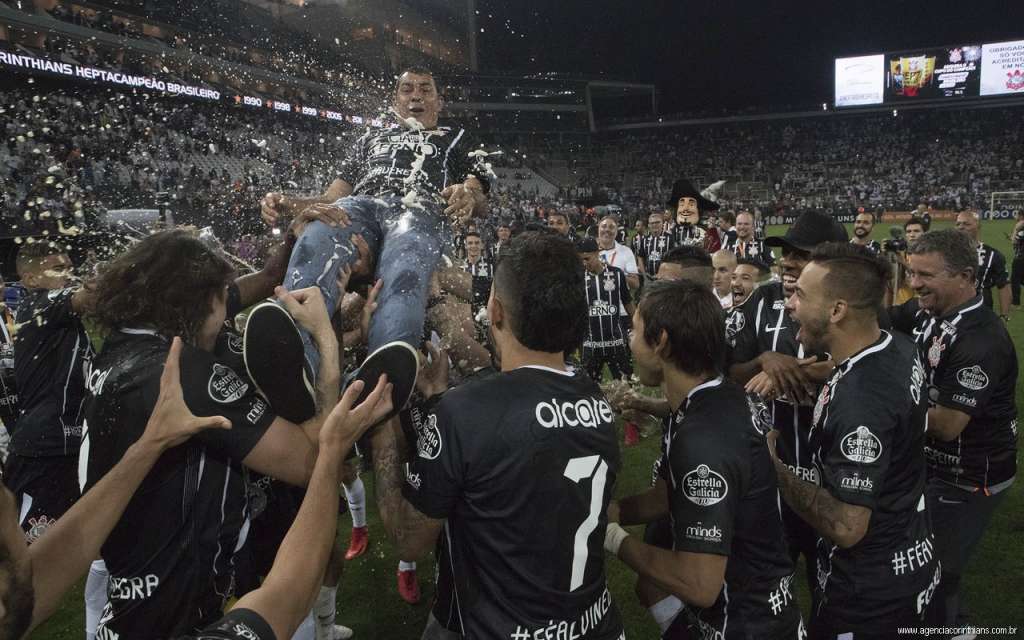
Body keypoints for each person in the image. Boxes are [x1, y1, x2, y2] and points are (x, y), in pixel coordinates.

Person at [0, 336, 392, 640]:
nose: (12, 496)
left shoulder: (13, 599)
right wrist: (330, 453)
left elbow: (49, 566)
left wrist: (149, 445)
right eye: (6, 509)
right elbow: (287, 595)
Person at [79, 230, 349, 639]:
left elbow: (249, 287)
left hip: (125, 611)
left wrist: (293, 235)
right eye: (223, 298)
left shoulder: (118, 349)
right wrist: (325, 339)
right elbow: (311, 461)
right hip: (175, 621)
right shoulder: (181, 372)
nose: (226, 314)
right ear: (202, 301)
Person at [369, 232, 625, 639]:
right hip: (594, 625)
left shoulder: (466, 411)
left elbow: (407, 540)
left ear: (496, 311)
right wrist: (437, 397)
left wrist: (382, 428)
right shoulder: (595, 398)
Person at [251, 67, 491, 421]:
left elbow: (478, 193)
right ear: (396, 100)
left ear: (439, 102)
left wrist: (467, 194)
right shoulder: (371, 137)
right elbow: (331, 198)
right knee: (319, 231)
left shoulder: (458, 137)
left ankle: (386, 362)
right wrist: (290, 203)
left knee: (406, 259)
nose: (416, 95)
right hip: (360, 207)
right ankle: (295, 356)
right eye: (407, 89)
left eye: (425, 89)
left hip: (417, 210)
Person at [606, 279, 802, 639]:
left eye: (634, 330)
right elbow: (666, 497)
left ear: (661, 341)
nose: (630, 341)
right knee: (650, 588)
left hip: (745, 625)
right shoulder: (707, 400)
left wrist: (611, 536)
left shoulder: (703, 437)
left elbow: (698, 584)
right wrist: (611, 510)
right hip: (755, 612)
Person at [773, 242, 938, 638]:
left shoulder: (860, 401)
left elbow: (847, 526)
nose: (789, 304)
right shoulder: (896, 345)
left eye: (801, 295)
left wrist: (771, 466)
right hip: (911, 556)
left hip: (868, 599)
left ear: (837, 310)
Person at [892, 229, 1017, 632]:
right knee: (923, 559)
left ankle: (950, 628)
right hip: (934, 468)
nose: (914, 284)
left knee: (935, 571)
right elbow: (876, 323)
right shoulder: (927, 311)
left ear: (965, 277)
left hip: (969, 477)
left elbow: (947, 425)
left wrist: (882, 410)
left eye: (925, 275)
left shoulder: (981, 339)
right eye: (911, 273)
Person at [728, 211, 847, 606]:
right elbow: (732, 372)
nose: (789, 262)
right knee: (766, 583)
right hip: (771, 466)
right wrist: (765, 359)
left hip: (832, 471)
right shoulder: (761, 300)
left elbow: (864, 367)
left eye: (801, 254)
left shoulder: (851, 306)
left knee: (831, 584)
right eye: (787, 253)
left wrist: (797, 371)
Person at [954, 210, 1012, 320]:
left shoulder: (993, 255)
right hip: (950, 314)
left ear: (978, 226)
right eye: (958, 224)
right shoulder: (945, 252)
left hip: (980, 315)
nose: (961, 227)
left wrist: (1004, 316)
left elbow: (1003, 286)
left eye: (966, 224)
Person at [666, 179, 719, 252]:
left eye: (691, 204)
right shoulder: (671, 232)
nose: (685, 209)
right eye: (682, 205)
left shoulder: (706, 232)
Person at [596, 215, 640, 290]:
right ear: (598, 229)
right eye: (604, 226)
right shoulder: (589, 251)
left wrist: (615, 273)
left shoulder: (626, 251)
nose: (607, 229)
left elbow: (635, 284)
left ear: (616, 232)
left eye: (611, 227)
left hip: (618, 297)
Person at [633, 211, 675, 277]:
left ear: (662, 223)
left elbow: (674, 259)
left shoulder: (670, 238)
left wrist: (666, 274)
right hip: (649, 277)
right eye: (652, 223)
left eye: (657, 222)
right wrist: (644, 275)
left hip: (665, 278)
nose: (654, 225)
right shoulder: (644, 240)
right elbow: (640, 257)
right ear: (648, 225)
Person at [460, 231, 493, 314]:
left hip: (485, 313)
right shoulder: (459, 267)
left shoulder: (491, 267)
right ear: (465, 246)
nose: (473, 246)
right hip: (464, 313)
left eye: (477, 243)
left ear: (482, 245)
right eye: (470, 243)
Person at [1011, 210, 1024, 306]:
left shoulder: (1021, 228)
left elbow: (1015, 241)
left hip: (1020, 258)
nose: (1016, 216)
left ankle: (1015, 303)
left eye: (1017, 215)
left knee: (1015, 280)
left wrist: (1016, 230)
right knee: (1021, 279)